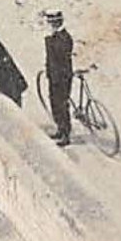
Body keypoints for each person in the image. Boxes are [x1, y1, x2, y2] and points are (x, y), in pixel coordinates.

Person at [44, 11, 75, 146]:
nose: (50, 25)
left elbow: (61, 55)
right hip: (54, 76)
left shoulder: (64, 37)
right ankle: (60, 129)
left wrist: (49, 41)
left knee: (62, 105)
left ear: (57, 22)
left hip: (62, 77)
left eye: (51, 22)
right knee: (54, 103)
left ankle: (65, 134)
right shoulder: (55, 36)